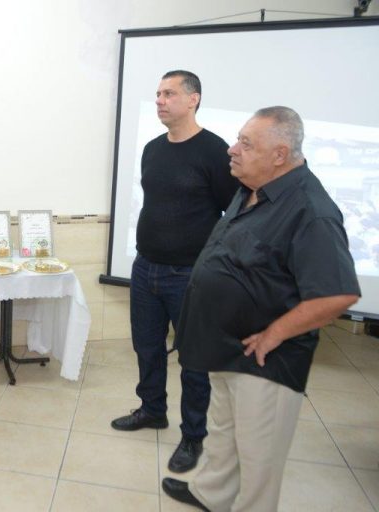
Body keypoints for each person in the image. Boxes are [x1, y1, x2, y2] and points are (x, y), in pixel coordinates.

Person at [162, 106, 360, 511]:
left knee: (258, 456)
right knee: (225, 433)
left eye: (246, 144)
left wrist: (274, 334)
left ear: (279, 155)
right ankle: (212, 495)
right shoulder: (252, 188)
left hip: (265, 359)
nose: (232, 150)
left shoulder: (311, 210)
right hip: (226, 347)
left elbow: (337, 295)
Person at [111, 70, 238, 473]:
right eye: (158, 94)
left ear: (193, 99)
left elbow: (234, 213)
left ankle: (193, 436)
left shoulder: (214, 151)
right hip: (145, 268)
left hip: (190, 276)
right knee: (147, 348)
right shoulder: (153, 149)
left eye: (169, 94)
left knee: (193, 360)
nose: (160, 101)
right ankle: (152, 410)